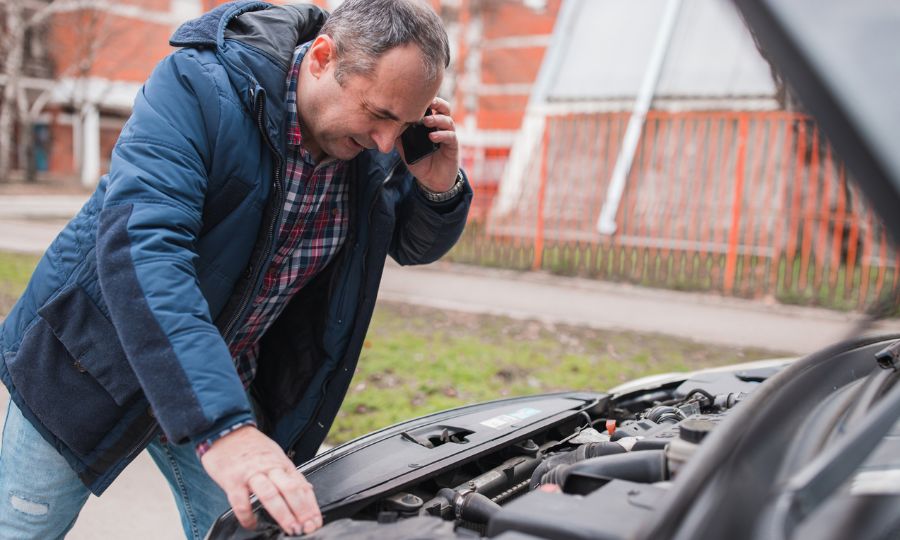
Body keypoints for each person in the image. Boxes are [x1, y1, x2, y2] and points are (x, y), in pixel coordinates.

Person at [0, 0, 471, 537]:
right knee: (23, 529)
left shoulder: (371, 146)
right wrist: (223, 431)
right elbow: (144, 250)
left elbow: (412, 246)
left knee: (259, 532)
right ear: (321, 58)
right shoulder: (198, 86)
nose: (387, 143)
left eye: (405, 123)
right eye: (381, 115)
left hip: (221, 375)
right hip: (90, 363)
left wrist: (439, 187)